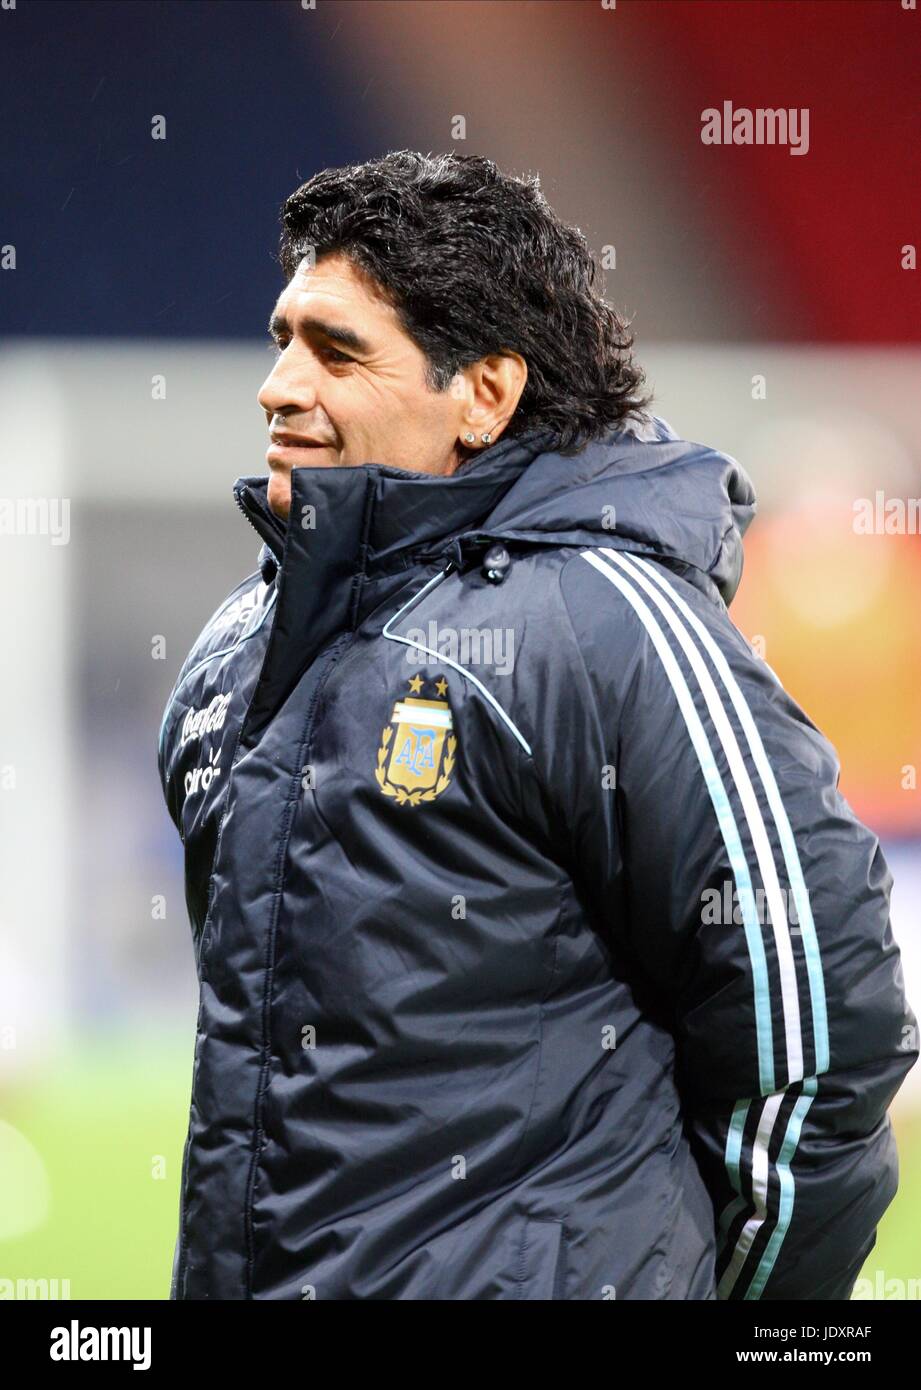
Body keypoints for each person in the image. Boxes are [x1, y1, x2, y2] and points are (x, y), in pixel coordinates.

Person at [157, 150, 918, 1300]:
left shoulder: (608, 626)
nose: (277, 384)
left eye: (337, 350)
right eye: (281, 338)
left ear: (486, 393)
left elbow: (819, 1032)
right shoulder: (234, 653)